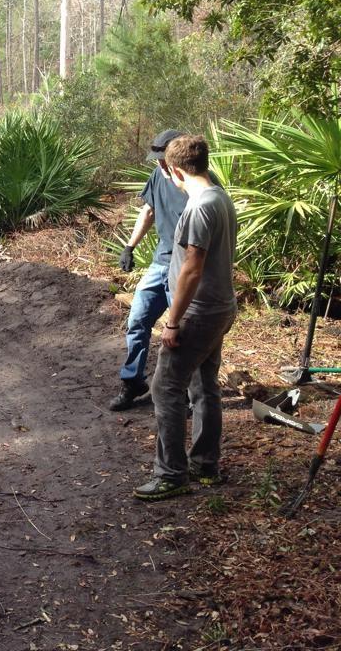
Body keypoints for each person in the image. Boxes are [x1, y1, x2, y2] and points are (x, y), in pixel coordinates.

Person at [133, 135, 237, 501]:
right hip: (221, 306)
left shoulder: (198, 208)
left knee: (165, 387)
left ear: (172, 168)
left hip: (199, 312)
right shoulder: (220, 197)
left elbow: (192, 268)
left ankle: (170, 474)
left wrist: (173, 321)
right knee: (204, 384)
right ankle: (205, 465)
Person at [109, 129, 188, 411]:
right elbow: (148, 211)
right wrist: (130, 246)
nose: (159, 165)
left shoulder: (198, 185)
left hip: (186, 267)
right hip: (160, 262)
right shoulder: (158, 176)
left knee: (181, 331)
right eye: (157, 160)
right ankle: (133, 382)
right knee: (138, 319)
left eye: (163, 159)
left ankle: (187, 393)